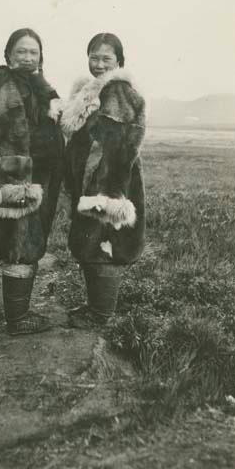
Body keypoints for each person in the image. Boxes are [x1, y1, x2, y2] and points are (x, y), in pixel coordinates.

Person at [0, 28, 64, 335]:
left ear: (41, 57)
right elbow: (10, 136)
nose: (27, 57)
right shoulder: (7, 86)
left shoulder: (34, 86)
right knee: (21, 241)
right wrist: (50, 144)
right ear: (8, 55)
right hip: (21, 176)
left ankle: (19, 311)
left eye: (33, 52)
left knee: (27, 239)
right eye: (21, 51)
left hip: (37, 175)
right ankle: (17, 319)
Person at [61, 33, 146, 328]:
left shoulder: (118, 92)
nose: (98, 64)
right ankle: (95, 306)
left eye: (106, 58)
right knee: (92, 241)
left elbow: (117, 148)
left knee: (105, 243)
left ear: (119, 61)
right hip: (91, 178)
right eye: (94, 57)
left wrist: (106, 191)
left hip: (107, 181)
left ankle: (101, 316)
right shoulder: (94, 90)